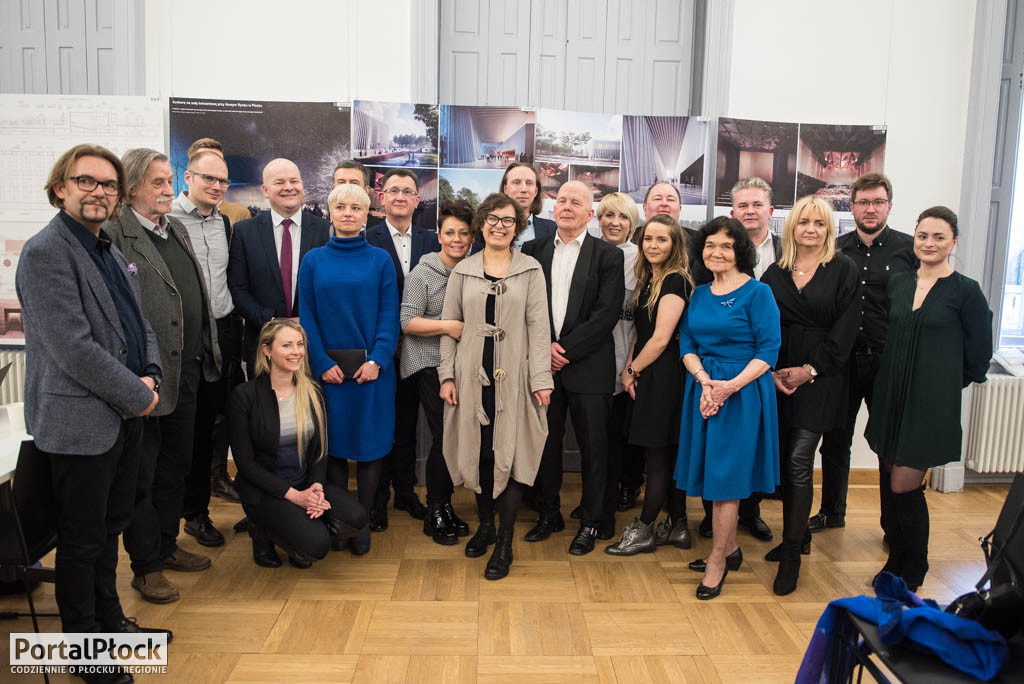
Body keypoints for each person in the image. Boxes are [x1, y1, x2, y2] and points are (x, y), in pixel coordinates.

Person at [18, 144, 169, 683]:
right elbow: (74, 350)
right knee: (81, 543)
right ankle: (84, 651)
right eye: (86, 181)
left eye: (107, 184)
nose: (98, 192)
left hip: (122, 417)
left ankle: (110, 624)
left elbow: (139, 322)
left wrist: (152, 373)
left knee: (109, 531)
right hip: (80, 424)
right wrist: (139, 394)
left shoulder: (105, 247)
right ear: (60, 187)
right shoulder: (46, 252)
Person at [106, 148, 221, 605]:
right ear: (131, 187)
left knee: (176, 466)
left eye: (168, 180)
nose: (167, 189)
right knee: (143, 476)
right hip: (146, 379)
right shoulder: (116, 235)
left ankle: (167, 545)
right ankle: (145, 567)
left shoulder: (174, 229)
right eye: (157, 182)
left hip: (186, 370)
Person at [865, 206, 992, 592]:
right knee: (889, 476)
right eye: (923, 236)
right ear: (914, 239)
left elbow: (979, 354)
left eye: (939, 237)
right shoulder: (900, 283)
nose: (929, 243)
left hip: (930, 402)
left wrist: (943, 385)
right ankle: (896, 557)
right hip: (891, 394)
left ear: (954, 242)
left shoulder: (966, 291)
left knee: (904, 484)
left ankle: (916, 562)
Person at [438, 193, 553, 579]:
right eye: (493, 218)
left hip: (515, 378)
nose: (499, 226)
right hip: (471, 376)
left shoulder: (530, 269)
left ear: (517, 227)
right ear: (481, 223)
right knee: (479, 453)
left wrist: (541, 378)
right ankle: (486, 526)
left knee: (511, 453)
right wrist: (447, 375)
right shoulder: (464, 270)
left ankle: (505, 542)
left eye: (508, 220)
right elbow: (450, 326)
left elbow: (540, 329)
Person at [676, 216, 781, 600]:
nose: (716, 252)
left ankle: (717, 560)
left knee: (726, 483)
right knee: (712, 477)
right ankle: (731, 548)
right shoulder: (699, 293)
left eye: (726, 246)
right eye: (710, 245)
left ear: (740, 252)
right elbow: (686, 344)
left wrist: (728, 387)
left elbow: (769, 351)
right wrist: (705, 381)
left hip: (742, 395)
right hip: (703, 389)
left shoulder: (758, 293)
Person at [760, 196, 860, 595]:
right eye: (804, 222)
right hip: (779, 378)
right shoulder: (775, 272)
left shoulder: (843, 269)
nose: (811, 230)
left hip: (822, 378)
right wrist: (770, 371)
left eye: (820, 223)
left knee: (800, 460)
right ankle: (798, 536)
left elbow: (846, 330)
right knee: (784, 461)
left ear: (829, 229)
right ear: (792, 228)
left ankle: (791, 557)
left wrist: (810, 370)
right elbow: (761, 325)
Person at [521, 181, 625, 555]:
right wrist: (543, 349)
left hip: (590, 367)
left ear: (589, 213)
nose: (566, 206)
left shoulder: (608, 256)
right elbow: (525, 308)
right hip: (541, 366)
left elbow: (606, 314)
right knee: (545, 445)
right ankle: (549, 514)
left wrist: (561, 350)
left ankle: (592, 522)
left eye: (575, 202)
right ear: (553, 208)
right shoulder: (532, 251)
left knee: (594, 449)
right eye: (561, 200)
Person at [299, 183, 399, 556]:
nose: (347, 213)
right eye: (340, 206)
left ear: (366, 214)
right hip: (330, 376)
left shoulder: (380, 260)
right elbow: (306, 316)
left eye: (356, 208)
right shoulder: (313, 261)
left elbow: (389, 314)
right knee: (335, 452)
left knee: (371, 449)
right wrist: (321, 363)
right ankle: (342, 520)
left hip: (372, 374)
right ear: (330, 211)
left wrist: (378, 360)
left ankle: (364, 522)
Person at [813, 174, 916, 532]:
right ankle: (832, 512)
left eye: (878, 202)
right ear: (852, 206)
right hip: (843, 361)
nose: (870, 209)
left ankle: (893, 525)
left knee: (888, 446)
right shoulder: (834, 250)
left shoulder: (910, 250)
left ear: (889, 206)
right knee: (835, 441)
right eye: (863, 202)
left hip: (887, 360)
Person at [227, 319, 367, 568]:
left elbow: (320, 450)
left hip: (304, 482)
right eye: (287, 345)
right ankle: (261, 532)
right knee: (316, 544)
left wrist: (316, 488)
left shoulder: (313, 390)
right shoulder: (244, 396)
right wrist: (295, 497)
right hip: (266, 490)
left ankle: (299, 528)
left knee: (356, 517)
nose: (296, 352)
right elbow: (245, 464)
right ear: (267, 350)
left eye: (300, 344)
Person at [606, 214, 692, 555]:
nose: (653, 245)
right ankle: (678, 526)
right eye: (648, 239)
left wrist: (632, 370)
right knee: (664, 454)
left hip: (665, 375)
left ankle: (643, 530)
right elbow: (639, 334)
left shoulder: (675, 280)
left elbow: (660, 339)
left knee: (658, 457)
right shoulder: (649, 278)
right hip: (648, 371)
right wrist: (629, 367)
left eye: (662, 239)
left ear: (674, 244)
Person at [171, 149, 241, 544]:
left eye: (222, 181)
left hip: (223, 334)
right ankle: (184, 515)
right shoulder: (167, 220)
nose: (216, 186)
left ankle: (197, 513)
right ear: (188, 177)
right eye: (208, 178)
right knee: (182, 433)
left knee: (208, 430)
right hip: (186, 337)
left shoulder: (224, 223)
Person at [365, 169, 439, 529]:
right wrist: (386, 340)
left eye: (407, 191)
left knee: (408, 423)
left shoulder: (433, 240)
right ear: (382, 197)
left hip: (420, 348)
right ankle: (377, 499)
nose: (399, 196)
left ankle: (405, 492)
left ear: (417, 199)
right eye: (392, 190)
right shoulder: (367, 239)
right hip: (381, 350)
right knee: (383, 425)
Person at [399, 201, 473, 545]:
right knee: (445, 438)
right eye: (450, 233)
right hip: (427, 363)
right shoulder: (423, 272)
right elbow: (407, 321)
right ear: (439, 236)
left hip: (459, 365)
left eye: (463, 233)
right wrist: (449, 326)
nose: (457, 239)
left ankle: (444, 506)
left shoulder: (472, 270)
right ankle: (435, 511)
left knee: (454, 438)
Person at [228, 158, 331, 376]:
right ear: (265, 190)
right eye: (280, 182)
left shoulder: (326, 231)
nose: (288, 187)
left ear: (302, 185)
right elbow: (238, 289)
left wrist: (308, 321)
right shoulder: (244, 232)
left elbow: (332, 289)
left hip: (315, 347)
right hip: (263, 346)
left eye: (294, 181)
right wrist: (273, 323)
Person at [593, 193, 652, 524]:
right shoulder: (588, 253)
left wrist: (632, 364)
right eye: (608, 215)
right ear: (598, 219)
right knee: (596, 438)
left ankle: (622, 491)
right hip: (592, 360)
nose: (615, 223)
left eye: (623, 217)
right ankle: (599, 497)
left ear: (633, 223)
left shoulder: (641, 259)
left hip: (629, 360)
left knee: (622, 435)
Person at [186, 138, 252, 225]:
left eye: (219, 159)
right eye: (208, 178)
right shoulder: (170, 215)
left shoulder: (239, 213)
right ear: (189, 177)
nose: (215, 163)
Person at [730, 177, 781, 279]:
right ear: (733, 214)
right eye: (743, 206)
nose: (750, 211)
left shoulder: (789, 249)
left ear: (770, 212)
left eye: (757, 205)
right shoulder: (718, 251)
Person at [500, 162, 556, 249]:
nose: (524, 189)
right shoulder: (489, 227)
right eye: (516, 182)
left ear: (536, 191)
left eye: (529, 183)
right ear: (505, 189)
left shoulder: (551, 229)